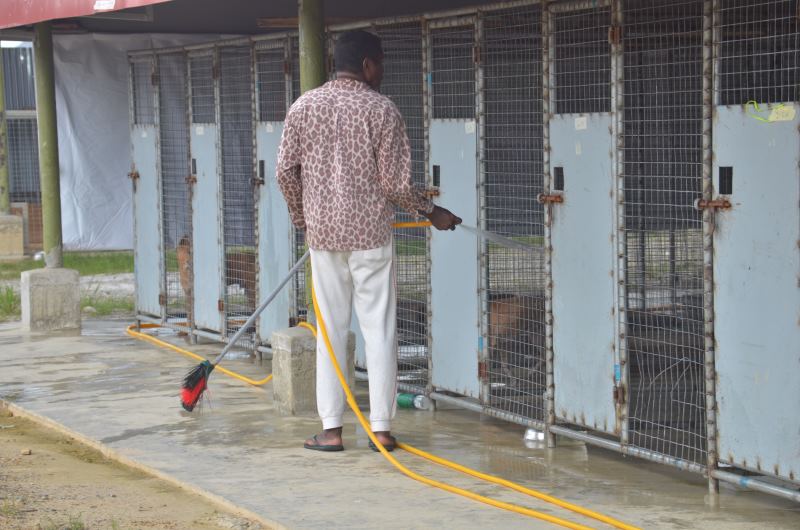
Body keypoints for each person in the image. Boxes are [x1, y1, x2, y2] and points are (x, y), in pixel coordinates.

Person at [276, 29, 461, 452]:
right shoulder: (383, 110)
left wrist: (305, 218)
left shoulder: (304, 106)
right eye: (381, 63)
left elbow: (285, 171)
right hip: (371, 237)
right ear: (366, 65)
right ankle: (380, 429)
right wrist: (433, 213)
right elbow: (395, 185)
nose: (383, 72)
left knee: (330, 332)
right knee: (379, 330)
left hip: (324, 237)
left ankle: (331, 430)